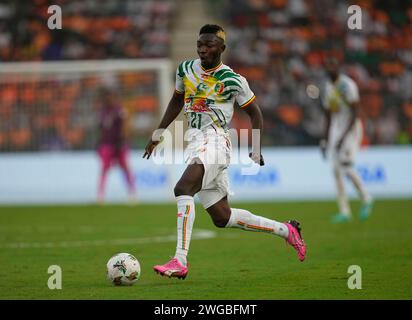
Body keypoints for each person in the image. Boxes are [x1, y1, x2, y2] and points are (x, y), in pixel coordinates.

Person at [143, 24, 306, 279]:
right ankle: (286, 231)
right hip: (195, 142)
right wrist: (159, 132)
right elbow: (177, 100)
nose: (202, 50)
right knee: (222, 217)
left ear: (222, 48)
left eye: (208, 46)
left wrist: (255, 147)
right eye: (199, 45)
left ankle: (179, 260)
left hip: (217, 142)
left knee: (182, 188)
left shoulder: (233, 80)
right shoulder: (185, 69)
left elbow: (255, 113)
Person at [320, 57, 373, 223]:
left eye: (332, 65)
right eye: (327, 66)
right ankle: (345, 211)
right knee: (336, 170)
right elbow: (328, 116)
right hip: (338, 128)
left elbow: (355, 112)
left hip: (351, 128)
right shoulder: (328, 87)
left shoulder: (347, 85)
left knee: (345, 165)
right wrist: (325, 139)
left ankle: (366, 198)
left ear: (337, 68)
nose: (330, 69)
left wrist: (343, 137)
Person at [97, 88, 137, 203]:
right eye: (107, 97)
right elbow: (102, 128)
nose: (108, 99)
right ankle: (101, 195)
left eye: (111, 97)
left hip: (119, 144)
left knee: (125, 168)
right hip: (106, 144)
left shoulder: (119, 110)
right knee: (104, 169)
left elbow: (125, 125)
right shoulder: (103, 111)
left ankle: (132, 193)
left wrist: (122, 140)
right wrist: (100, 142)